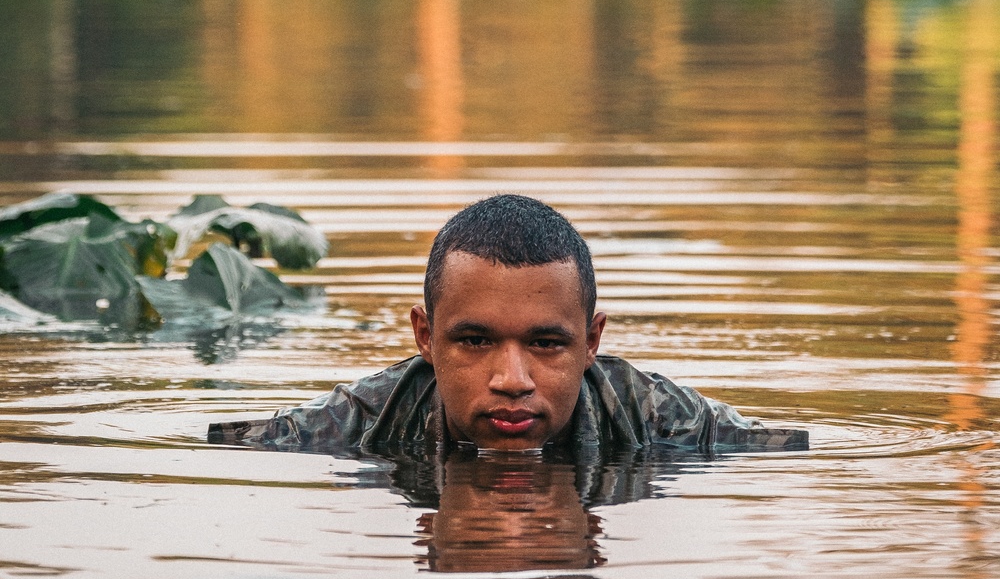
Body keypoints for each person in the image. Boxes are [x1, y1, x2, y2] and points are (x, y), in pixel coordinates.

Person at [207, 193, 807, 457]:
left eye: (547, 344)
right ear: (425, 338)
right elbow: (221, 442)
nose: (512, 380)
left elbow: (794, 448)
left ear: (592, 341)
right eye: (475, 341)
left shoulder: (662, 417)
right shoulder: (356, 421)